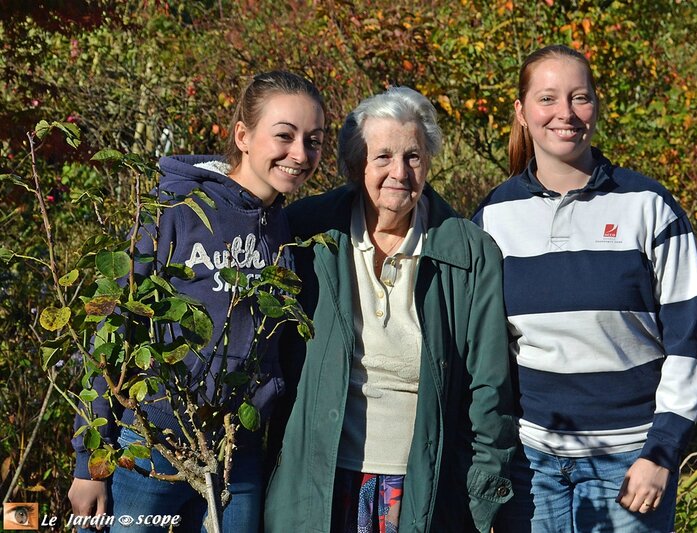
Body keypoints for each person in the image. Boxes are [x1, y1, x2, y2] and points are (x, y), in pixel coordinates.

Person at [67, 71, 326, 532]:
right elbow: (109, 328)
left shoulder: (287, 230)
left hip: (235, 455)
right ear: (243, 136)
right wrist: (90, 463)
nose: (300, 154)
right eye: (284, 136)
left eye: (314, 140)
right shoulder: (175, 207)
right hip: (151, 446)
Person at [473, 44, 697, 532]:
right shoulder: (493, 217)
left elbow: (691, 339)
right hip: (532, 462)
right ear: (521, 112)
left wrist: (661, 452)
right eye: (547, 99)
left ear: (596, 106)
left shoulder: (648, 206)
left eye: (579, 97)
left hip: (628, 460)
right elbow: (483, 348)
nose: (565, 113)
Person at [263, 86, 516, 532]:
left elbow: (489, 387)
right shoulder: (307, 233)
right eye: (383, 157)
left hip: (422, 484)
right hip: (316, 477)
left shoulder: (470, 252)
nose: (400, 172)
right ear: (355, 164)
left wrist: (482, 490)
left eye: (413, 157)